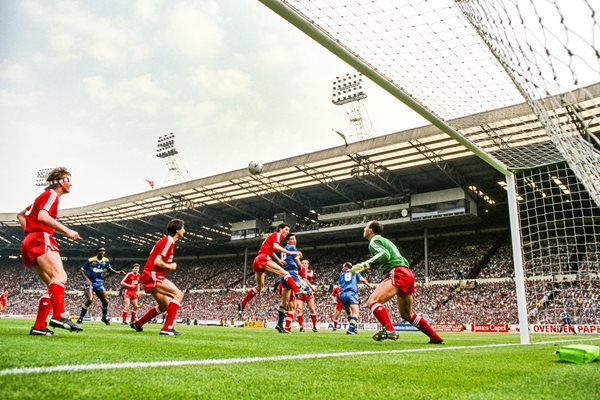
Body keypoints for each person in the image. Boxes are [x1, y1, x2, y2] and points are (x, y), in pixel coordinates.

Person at [351, 220, 444, 344]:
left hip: (397, 272)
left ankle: (390, 330)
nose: (363, 229)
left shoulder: (374, 241)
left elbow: (384, 255)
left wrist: (364, 264)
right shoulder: (385, 241)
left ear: (371, 230)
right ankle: (435, 337)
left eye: (365, 227)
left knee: (372, 301)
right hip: (407, 273)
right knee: (407, 315)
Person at [17, 166, 83, 336]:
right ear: (60, 182)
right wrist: (67, 231)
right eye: (68, 180)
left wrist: (29, 233)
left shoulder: (42, 197)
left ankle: (39, 326)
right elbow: (43, 217)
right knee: (61, 276)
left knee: (52, 286)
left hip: (30, 241)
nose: (71, 184)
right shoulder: (51, 195)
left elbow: (20, 215)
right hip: (40, 238)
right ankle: (59, 316)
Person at [131, 219, 185, 336]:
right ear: (177, 230)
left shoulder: (167, 241)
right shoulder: (168, 241)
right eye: (183, 228)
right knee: (178, 294)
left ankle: (138, 324)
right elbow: (157, 262)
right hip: (152, 274)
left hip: (150, 274)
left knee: (164, 305)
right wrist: (171, 266)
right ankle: (167, 327)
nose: (184, 230)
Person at [238, 223, 303, 315]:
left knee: (259, 287)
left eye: (288, 230)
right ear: (280, 229)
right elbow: (276, 247)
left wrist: (278, 260)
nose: (287, 232)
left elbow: (272, 250)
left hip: (258, 260)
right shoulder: (277, 235)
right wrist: (289, 252)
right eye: (286, 230)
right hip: (263, 258)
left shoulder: (272, 237)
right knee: (285, 274)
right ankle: (297, 292)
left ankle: (242, 303)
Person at [77, 246, 125, 325]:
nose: (102, 252)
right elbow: (81, 270)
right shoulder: (91, 260)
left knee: (105, 301)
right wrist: (87, 279)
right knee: (90, 299)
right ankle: (80, 318)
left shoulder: (106, 260)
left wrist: (118, 272)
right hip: (90, 282)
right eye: (100, 251)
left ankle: (104, 317)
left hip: (99, 283)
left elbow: (109, 270)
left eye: (104, 251)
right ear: (97, 252)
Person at [338, 262, 372, 335]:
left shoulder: (341, 276)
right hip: (351, 294)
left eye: (343, 267)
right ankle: (350, 329)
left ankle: (354, 328)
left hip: (342, 295)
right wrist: (369, 285)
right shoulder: (354, 272)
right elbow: (362, 280)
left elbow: (339, 287)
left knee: (349, 313)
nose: (342, 268)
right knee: (355, 313)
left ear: (347, 267)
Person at [296, 259, 318, 332]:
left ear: (308, 265)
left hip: (308, 291)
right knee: (299, 309)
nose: (304, 264)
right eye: (303, 263)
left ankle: (314, 326)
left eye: (306, 263)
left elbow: (310, 275)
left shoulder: (310, 271)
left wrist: (302, 271)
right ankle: (301, 327)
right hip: (299, 291)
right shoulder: (298, 270)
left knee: (312, 308)